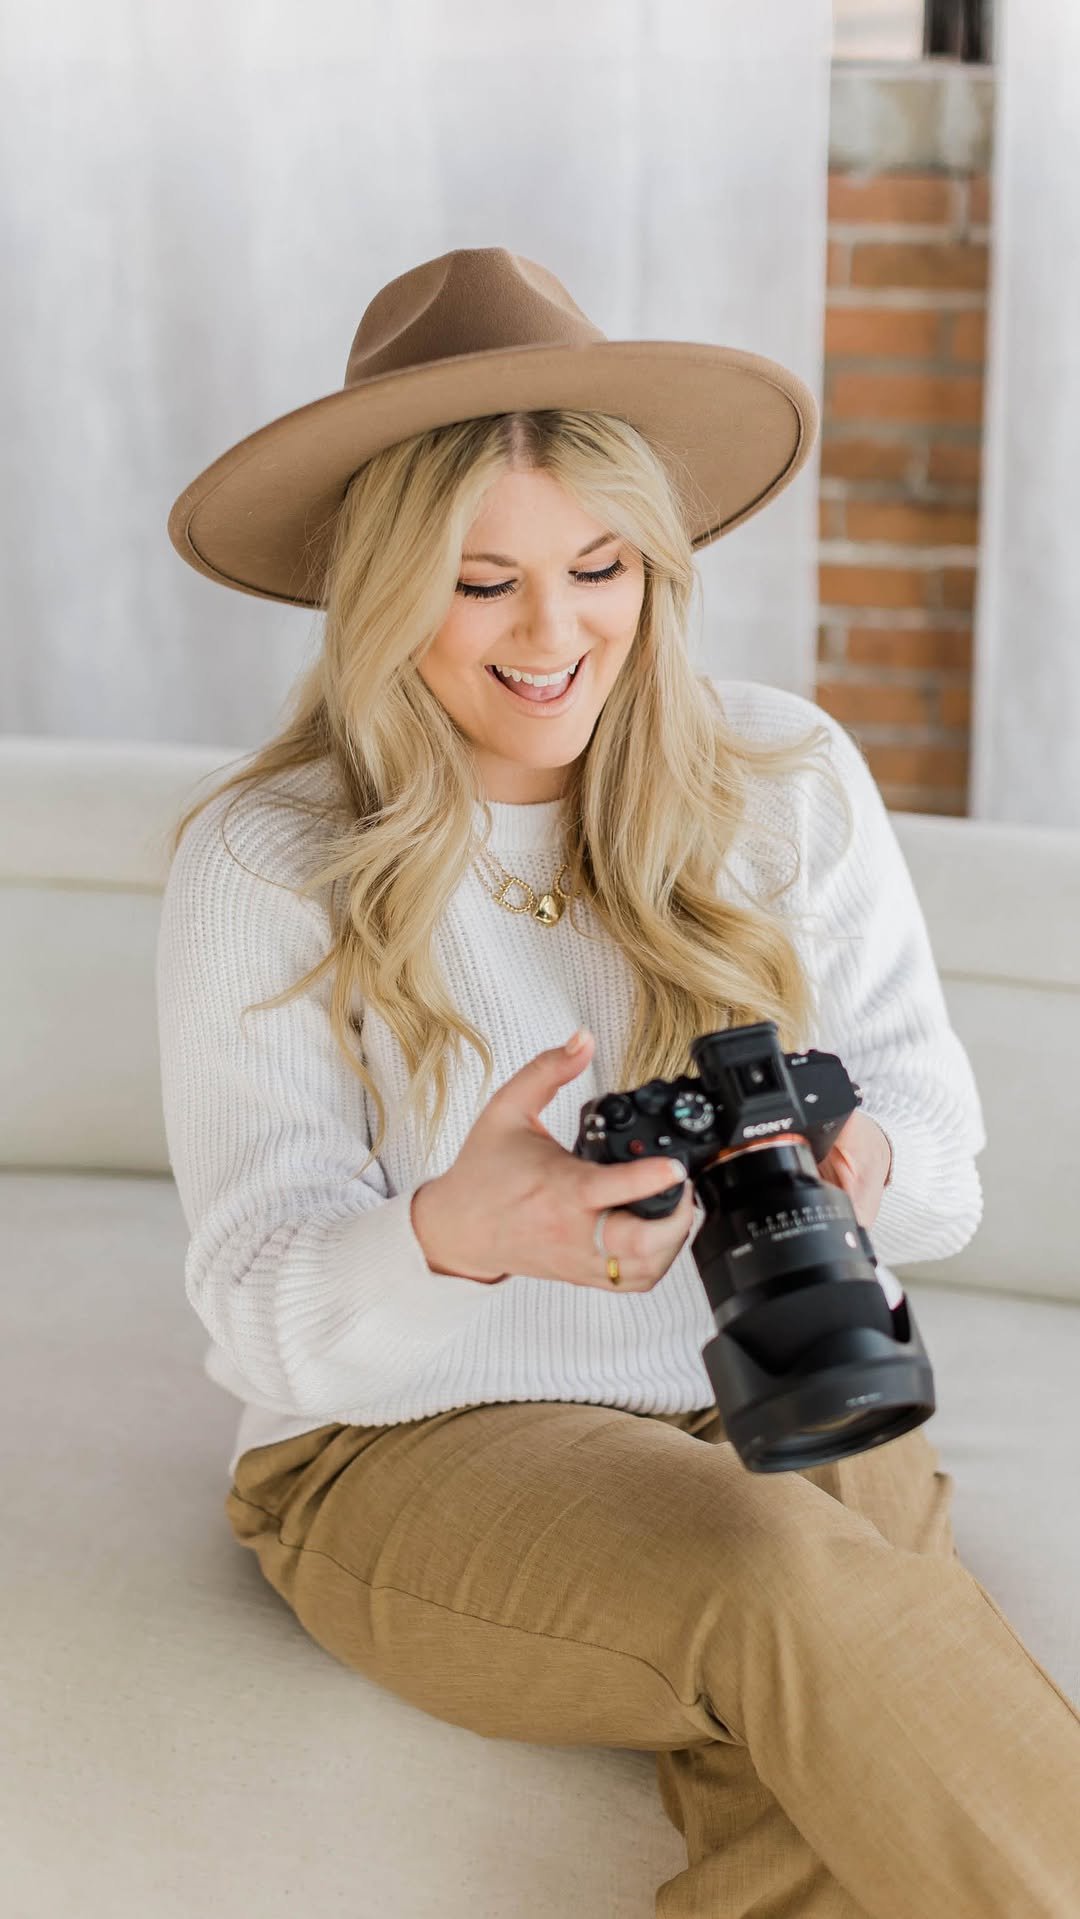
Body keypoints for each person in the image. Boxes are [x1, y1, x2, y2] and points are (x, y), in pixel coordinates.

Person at [157, 247, 1080, 1919]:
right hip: (409, 1442)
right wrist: (457, 1232)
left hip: (779, 1365)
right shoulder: (269, 857)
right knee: (796, 1561)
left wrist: (846, 1165)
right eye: (479, 579)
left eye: (600, 568)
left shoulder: (783, 779)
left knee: (826, 1663)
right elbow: (264, 1313)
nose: (554, 634)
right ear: (380, 590)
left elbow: (946, 1165)